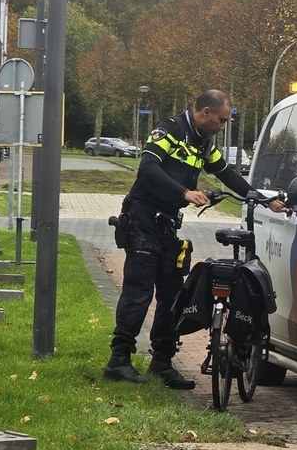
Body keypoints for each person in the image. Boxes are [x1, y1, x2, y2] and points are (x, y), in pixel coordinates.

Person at [103, 89, 286, 389]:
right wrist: (183, 192)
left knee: (172, 293)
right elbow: (147, 169)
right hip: (142, 218)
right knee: (139, 291)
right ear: (205, 113)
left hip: (165, 226)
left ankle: (162, 360)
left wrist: (263, 199)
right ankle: (119, 359)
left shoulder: (203, 143)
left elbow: (227, 173)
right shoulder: (170, 130)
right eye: (222, 120)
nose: (223, 127)